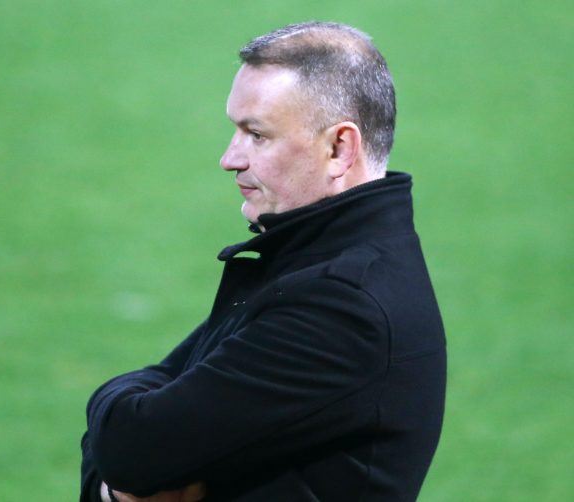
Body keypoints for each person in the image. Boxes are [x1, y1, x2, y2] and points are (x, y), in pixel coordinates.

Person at [80, 21, 446, 502]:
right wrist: (118, 478)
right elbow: (135, 435)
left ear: (339, 148)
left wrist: (114, 429)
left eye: (256, 134)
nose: (230, 158)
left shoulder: (340, 308)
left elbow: (128, 447)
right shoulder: (312, 262)